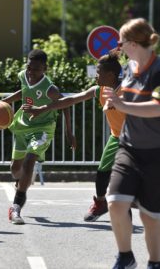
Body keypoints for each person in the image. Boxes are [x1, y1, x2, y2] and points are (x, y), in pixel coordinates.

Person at [103, 18, 160, 269]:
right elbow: (126, 94)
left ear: (134, 43)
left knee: (148, 217)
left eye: (121, 42)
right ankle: (126, 257)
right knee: (115, 203)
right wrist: (114, 99)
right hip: (130, 147)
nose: (118, 47)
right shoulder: (128, 68)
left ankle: (154, 263)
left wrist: (123, 105)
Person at [22, 53, 126, 222]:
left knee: (125, 181)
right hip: (116, 138)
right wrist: (41, 108)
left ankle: (129, 211)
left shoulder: (127, 92)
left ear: (110, 75)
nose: (95, 76)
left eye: (98, 72)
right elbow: (70, 100)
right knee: (101, 175)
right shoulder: (99, 91)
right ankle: (100, 204)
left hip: (133, 139)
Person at [0, 49, 76, 225]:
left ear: (45, 69)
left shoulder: (50, 89)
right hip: (22, 125)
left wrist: (69, 132)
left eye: (36, 69)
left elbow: (65, 104)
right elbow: (23, 92)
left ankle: (16, 208)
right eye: (29, 68)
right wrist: (1, 103)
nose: (31, 73)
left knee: (30, 160)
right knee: (15, 169)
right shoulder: (24, 76)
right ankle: (23, 179)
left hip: (42, 128)